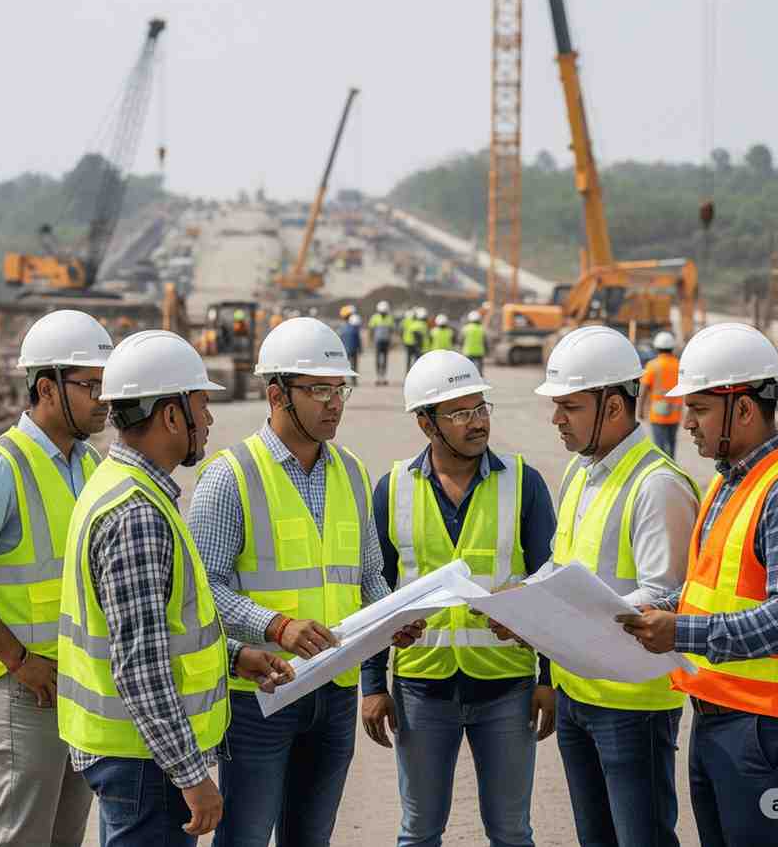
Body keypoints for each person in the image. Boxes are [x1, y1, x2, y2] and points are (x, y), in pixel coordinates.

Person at [188, 317, 423, 847]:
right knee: (244, 838)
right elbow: (202, 589)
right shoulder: (231, 476)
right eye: (319, 389)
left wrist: (392, 619)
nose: (335, 402)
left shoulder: (353, 472)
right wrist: (275, 626)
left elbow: (366, 576)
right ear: (277, 393)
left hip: (333, 695)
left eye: (341, 388)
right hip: (260, 697)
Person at [57, 330, 293, 847]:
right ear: (170, 415)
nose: (208, 420)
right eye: (202, 405)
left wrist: (233, 657)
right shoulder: (137, 513)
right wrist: (192, 777)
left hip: (132, 756)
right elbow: (139, 665)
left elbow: (158, 627)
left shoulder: (117, 483)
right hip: (147, 766)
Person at [617, 322, 778, 847]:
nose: (686, 422)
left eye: (700, 409)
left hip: (767, 731)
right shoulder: (729, 481)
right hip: (719, 717)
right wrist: (625, 609)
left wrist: (682, 632)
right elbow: (702, 590)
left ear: (743, 408)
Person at [0, 310, 114, 847]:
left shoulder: (86, 465)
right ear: (46, 389)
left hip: (76, 687)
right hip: (21, 691)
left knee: (64, 837)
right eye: (90, 385)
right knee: (22, 838)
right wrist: (19, 660)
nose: (103, 398)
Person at [361, 350, 557, 847]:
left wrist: (548, 679)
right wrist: (372, 684)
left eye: (481, 408)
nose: (478, 423)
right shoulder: (393, 489)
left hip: (507, 686)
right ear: (427, 423)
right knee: (419, 830)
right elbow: (375, 591)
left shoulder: (523, 483)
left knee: (511, 831)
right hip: (421, 688)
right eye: (461, 413)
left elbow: (550, 584)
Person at [525, 325, 700, 847]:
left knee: (640, 837)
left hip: (634, 705)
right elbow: (561, 563)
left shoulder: (658, 485)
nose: (556, 418)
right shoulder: (581, 473)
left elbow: (663, 596)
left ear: (615, 407)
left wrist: (557, 618)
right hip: (579, 691)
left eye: (569, 406)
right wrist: (521, 602)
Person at [638, 329, 684, 458]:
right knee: (672, 444)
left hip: (657, 413)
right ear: (672, 347)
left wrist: (640, 410)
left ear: (656, 347)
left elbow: (644, 389)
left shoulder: (652, 365)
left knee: (659, 446)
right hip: (675, 412)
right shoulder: (679, 365)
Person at [368, 299, 395, 385]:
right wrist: (370, 340)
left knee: (385, 360)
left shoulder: (390, 318)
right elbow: (371, 330)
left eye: (384, 312)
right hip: (378, 342)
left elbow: (392, 331)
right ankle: (378, 377)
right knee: (378, 360)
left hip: (386, 342)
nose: (383, 313)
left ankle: (384, 377)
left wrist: (392, 341)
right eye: (381, 312)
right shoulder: (375, 317)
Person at [460, 310, 487, 376]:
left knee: (467, 370)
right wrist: (487, 349)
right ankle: (480, 382)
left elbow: (461, 340)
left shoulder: (466, 328)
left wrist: (461, 347)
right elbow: (485, 341)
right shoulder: (482, 328)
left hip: (468, 351)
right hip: (479, 352)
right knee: (479, 371)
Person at [339, 312, 363, 382]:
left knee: (345, 366)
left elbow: (341, 339)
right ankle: (354, 380)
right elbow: (358, 341)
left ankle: (343, 380)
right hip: (354, 350)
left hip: (345, 350)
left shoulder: (343, 328)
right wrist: (360, 349)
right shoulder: (355, 330)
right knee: (354, 365)